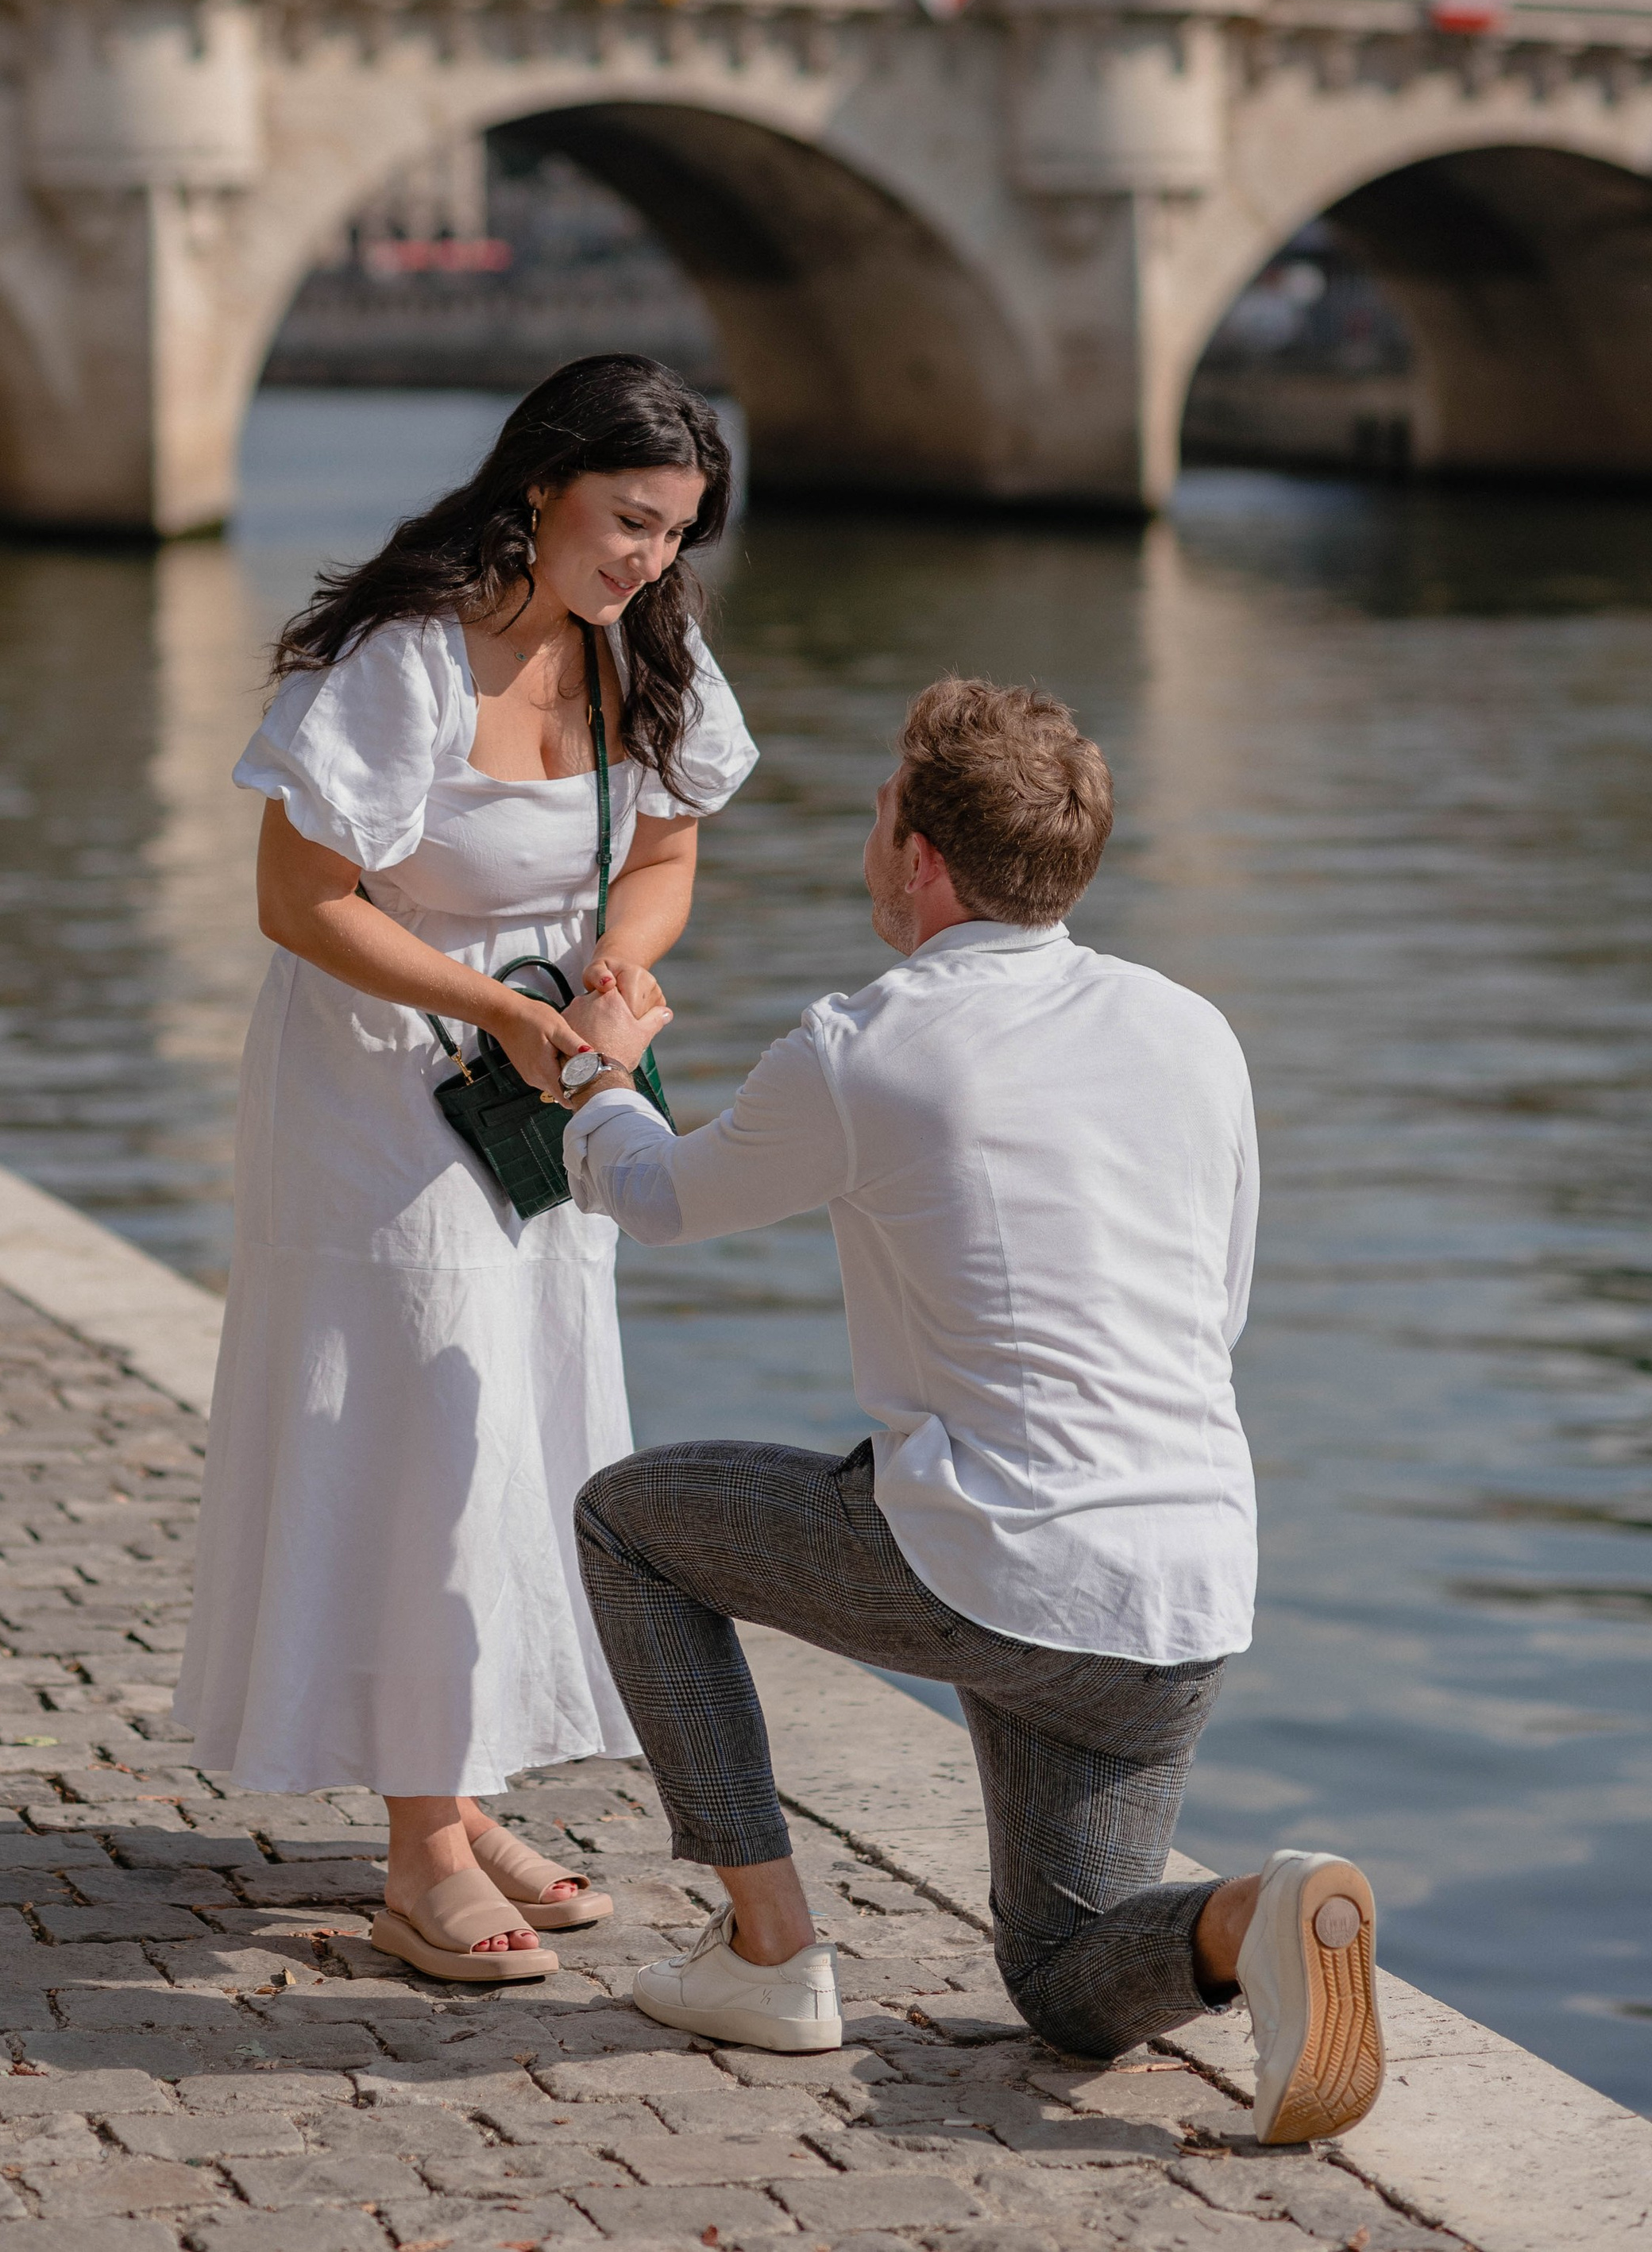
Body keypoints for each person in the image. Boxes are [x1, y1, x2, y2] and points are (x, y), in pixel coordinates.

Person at [561, 677, 1385, 2145]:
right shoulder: (1195, 1029)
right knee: (1065, 1983)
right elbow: (1223, 1303)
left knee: (628, 1522)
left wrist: (594, 1066)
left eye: (881, 814)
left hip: (997, 1564)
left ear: (922, 858)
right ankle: (1256, 1917)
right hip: (1185, 1588)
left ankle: (767, 1951)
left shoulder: (867, 1041)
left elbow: (655, 1194)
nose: (870, 839)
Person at [174, 355, 756, 1988]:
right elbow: (302, 901)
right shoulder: (404, 660)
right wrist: (496, 1001)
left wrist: (612, 981)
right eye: (628, 521)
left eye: (674, 534)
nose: (648, 559)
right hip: (380, 1084)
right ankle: (420, 1848)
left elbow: (664, 847)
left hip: (541, 1087)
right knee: (423, 1420)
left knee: (517, 1426)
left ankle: (462, 1787)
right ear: (539, 485)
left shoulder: (644, 645)